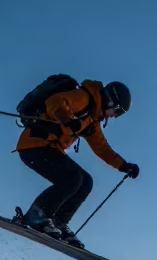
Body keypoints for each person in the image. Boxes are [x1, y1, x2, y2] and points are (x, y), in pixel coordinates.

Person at [16, 79, 139, 249]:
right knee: (72, 177)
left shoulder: (92, 120)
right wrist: (67, 119)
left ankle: (58, 222)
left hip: (49, 149)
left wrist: (124, 165)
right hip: (34, 145)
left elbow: (102, 148)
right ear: (111, 101)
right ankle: (37, 215)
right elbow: (54, 102)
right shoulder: (83, 98)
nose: (112, 116)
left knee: (86, 182)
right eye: (116, 112)